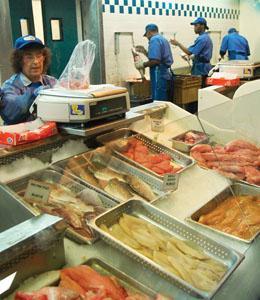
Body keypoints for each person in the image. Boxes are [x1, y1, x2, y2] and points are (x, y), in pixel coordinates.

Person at [0, 35, 56, 125]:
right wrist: (33, 95)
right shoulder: (10, 86)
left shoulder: (52, 82)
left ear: (44, 58)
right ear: (19, 60)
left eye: (39, 56)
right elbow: (11, 114)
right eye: (29, 57)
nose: (36, 62)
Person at [134, 24, 174, 101]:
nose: (147, 38)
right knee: (164, 100)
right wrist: (145, 52)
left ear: (149, 32)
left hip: (158, 73)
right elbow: (159, 56)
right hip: (165, 74)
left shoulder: (154, 40)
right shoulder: (162, 39)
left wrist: (142, 65)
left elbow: (155, 61)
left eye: (147, 36)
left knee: (158, 101)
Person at [170, 17, 213, 85]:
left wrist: (178, 43)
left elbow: (189, 52)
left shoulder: (202, 39)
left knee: (200, 91)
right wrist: (190, 57)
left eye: (196, 25)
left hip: (201, 70)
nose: (194, 28)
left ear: (202, 26)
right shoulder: (205, 37)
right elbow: (198, 53)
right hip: (203, 68)